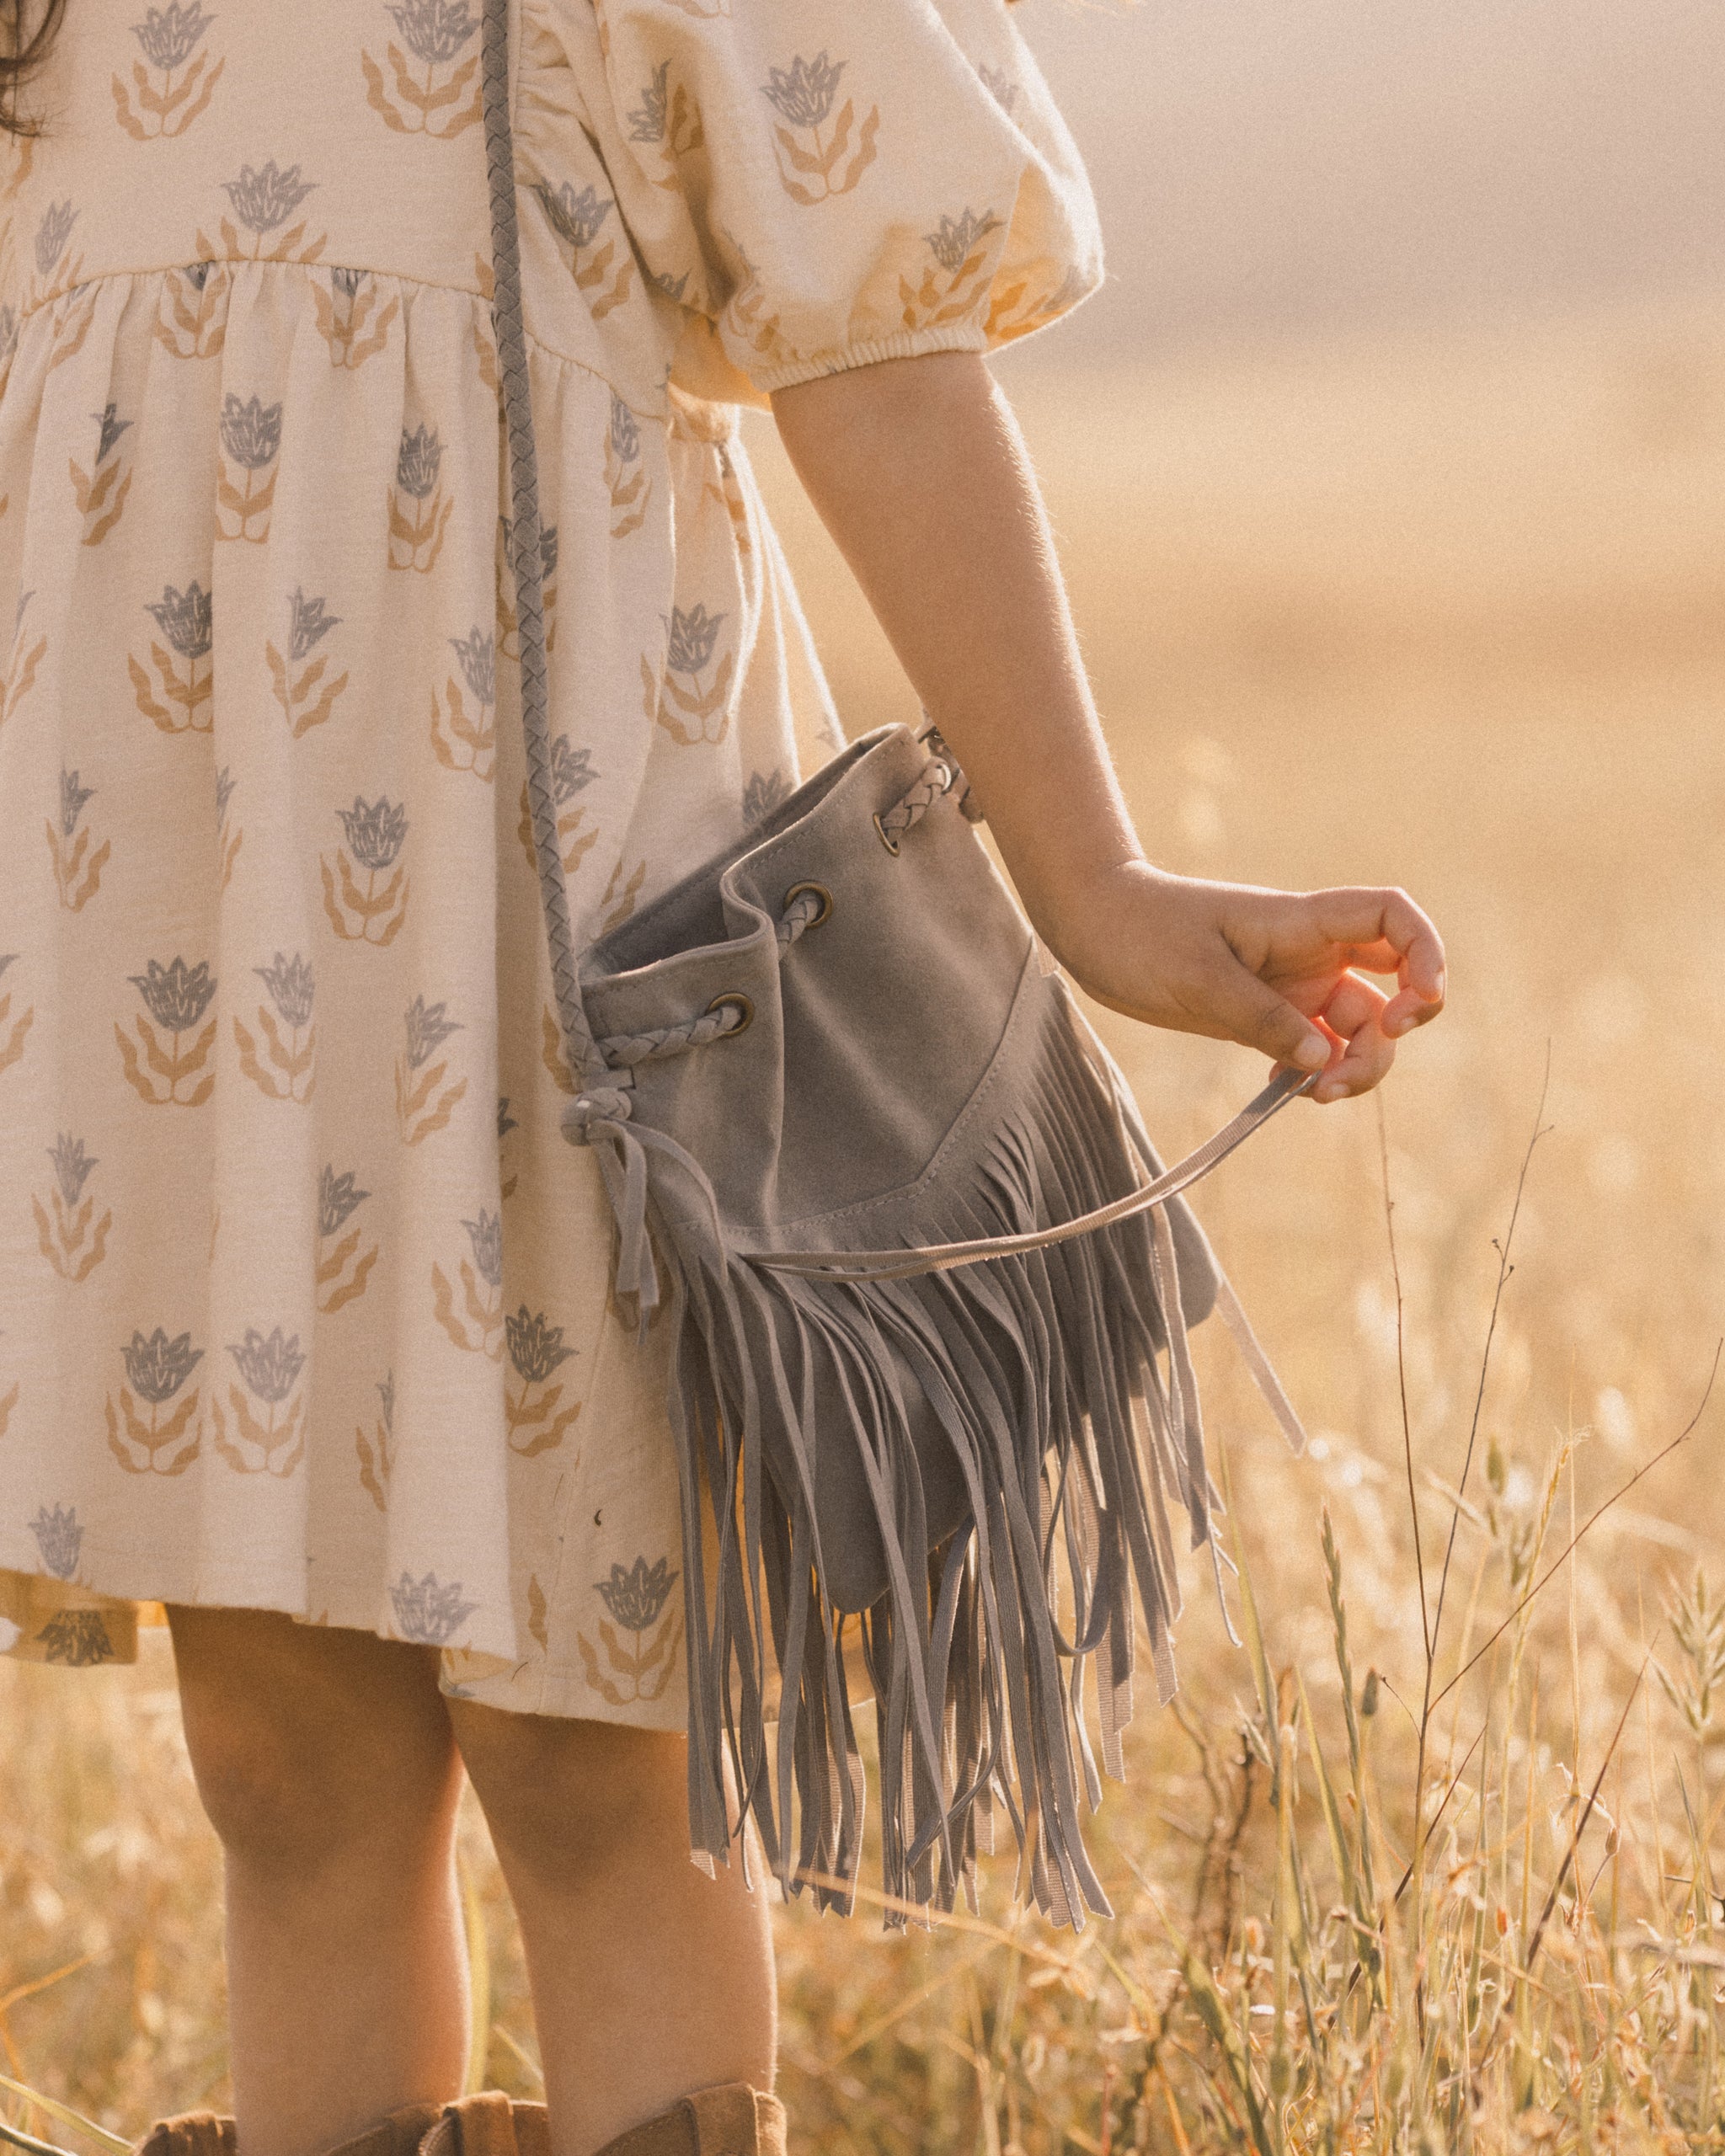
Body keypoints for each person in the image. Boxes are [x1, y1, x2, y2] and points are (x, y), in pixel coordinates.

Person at [0, 0, 1445, 2152]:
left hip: (547, 938)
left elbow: (878, 357)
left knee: (600, 1746)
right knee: (280, 1754)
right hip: (176, 935)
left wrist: (1096, 877)